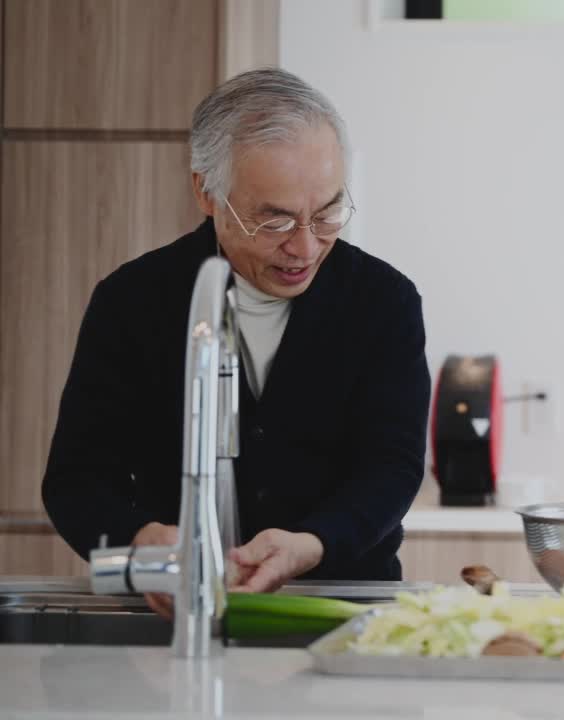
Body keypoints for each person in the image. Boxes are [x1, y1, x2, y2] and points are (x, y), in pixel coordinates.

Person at [42, 68, 429, 610]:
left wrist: (311, 544)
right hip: (180, 606)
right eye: (273, 221)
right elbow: (77, 480)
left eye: (326, 213)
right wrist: (135, 544)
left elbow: (393, 467)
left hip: (342, 604)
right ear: (207, 191)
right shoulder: (132, 301)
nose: (306, 248)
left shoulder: (384, 302)